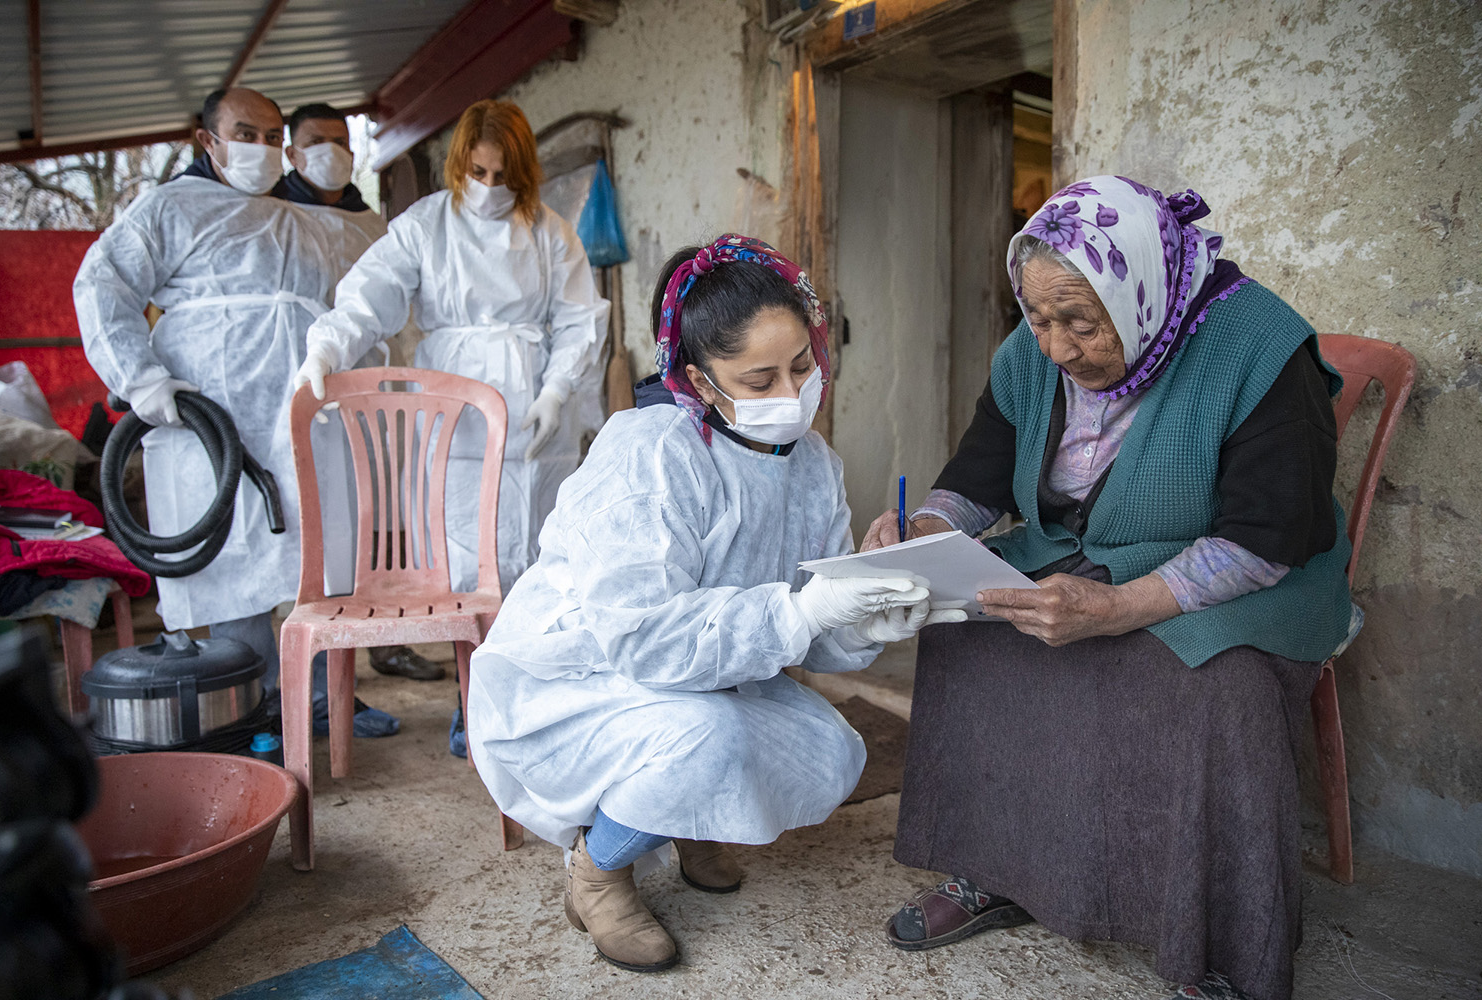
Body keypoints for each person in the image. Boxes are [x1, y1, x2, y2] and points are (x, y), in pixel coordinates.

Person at [863, 177, 1354, 1000]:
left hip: (1235, 572)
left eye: (1081, 324)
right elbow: (977, 479)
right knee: (969, 625)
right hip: (1085, 548)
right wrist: (924, 532)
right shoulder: (1032, 353)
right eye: (1038, 318)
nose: (1055, 348)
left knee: (1214, 690)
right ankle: (995, 870)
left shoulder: (1259, 347)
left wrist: (1123, 608)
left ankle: (1222, 947)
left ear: (1143, 294)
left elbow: (1269, 538)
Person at [465, 235, 964, 973]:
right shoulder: (650, 453)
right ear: (699, 381)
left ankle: (687, 814)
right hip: (580, 681)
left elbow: (808, 630)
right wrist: (804, 612)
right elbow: (641, 639)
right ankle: (598, 870)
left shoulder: (813, 466)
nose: (790, 393)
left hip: (700, 680)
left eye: (802, 366)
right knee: (711, 741)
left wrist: (862, 619)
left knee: (829, 754)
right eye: (758, 378)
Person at [74, 87, 397, 738]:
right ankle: (247, 710)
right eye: (244, 134)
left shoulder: (306, 217)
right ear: (208, 142)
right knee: (236, 562)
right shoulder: (170, 209)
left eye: (272, 135)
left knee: (319, 557)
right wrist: (142, 381)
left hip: (303, 414)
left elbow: (363, 304)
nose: (261, 148)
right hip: (211, 417)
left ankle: (318, 702)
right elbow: (102, 284)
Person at [296, 99, 609, 748]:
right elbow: (370, 294)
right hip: (452, 409)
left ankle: (525, 697)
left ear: (522, 175)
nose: (489, 188)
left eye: (503, 176)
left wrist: (557, 391)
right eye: (478, 171)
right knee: (463, 555)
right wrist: (327, 347)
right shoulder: (424, 226)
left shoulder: (549, 231)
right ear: (458, 164)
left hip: (532, 414)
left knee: (534, 555)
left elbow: (581, 320)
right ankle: (474, 702)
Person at [274, 103, 443, 683]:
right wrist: (320, 353)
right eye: (315, 141)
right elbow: (350, 306)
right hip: (307, 383)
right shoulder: (272, 216)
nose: (331, 153)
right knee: (317, 526)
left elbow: (386, 305)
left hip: (372, 393)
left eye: (340, 141)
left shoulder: (374, 222)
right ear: (291, 154)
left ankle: (387, 642)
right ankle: (323, 675)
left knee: (386, 514)